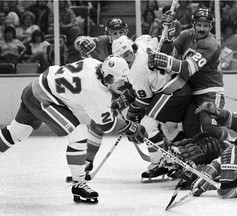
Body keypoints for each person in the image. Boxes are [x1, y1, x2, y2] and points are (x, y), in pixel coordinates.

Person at [0, 55, 147, 203]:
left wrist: (112, 102)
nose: (123, 83)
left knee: (17, 132)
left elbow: (98, 99)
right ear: (108, 78)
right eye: (120, 80)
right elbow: (107, 125)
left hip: (34, 88)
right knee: (78, 133)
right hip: (43, 99)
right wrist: (130, 126)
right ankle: (79, 184)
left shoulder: (93, 63)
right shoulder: (95, 92)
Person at [112, 34, 193, 180]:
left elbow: (145, 99)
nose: (127, 58)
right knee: (170, 129)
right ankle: (188, 159)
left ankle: (159, 163)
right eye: (122, 57)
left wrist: (131, 112)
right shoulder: (142, 42)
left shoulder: (136, 72)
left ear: (133, 48)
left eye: (127, 54)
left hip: (171, 92)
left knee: (147, 125)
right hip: (180, 87)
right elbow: (155, 39)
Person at [148, 8, 230, 140]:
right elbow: (171, 53)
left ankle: (228, 143)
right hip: (191, 91)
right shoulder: (186, 35)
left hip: (209, 92)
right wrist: (168, 33)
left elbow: (187, 68)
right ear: (193, 24)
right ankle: (200, 158)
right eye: (199, 25)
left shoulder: (211, 44)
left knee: (208, 125)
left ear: (211, 27)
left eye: (205, 26)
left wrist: (164, 61)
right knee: (191, 129)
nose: (202, 29)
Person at [70, 17, 131, 177]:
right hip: (106, 91)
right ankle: (87, 162)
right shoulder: (101, 42)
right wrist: (81, 42)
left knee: (140, 124)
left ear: (126, 33)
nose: (117, 36)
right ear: (108, 34)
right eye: (114, 33)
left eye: (121, 32)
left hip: (128, 92)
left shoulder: (130, 46)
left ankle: (163, 159)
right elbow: (81, 41)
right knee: (97, 123)